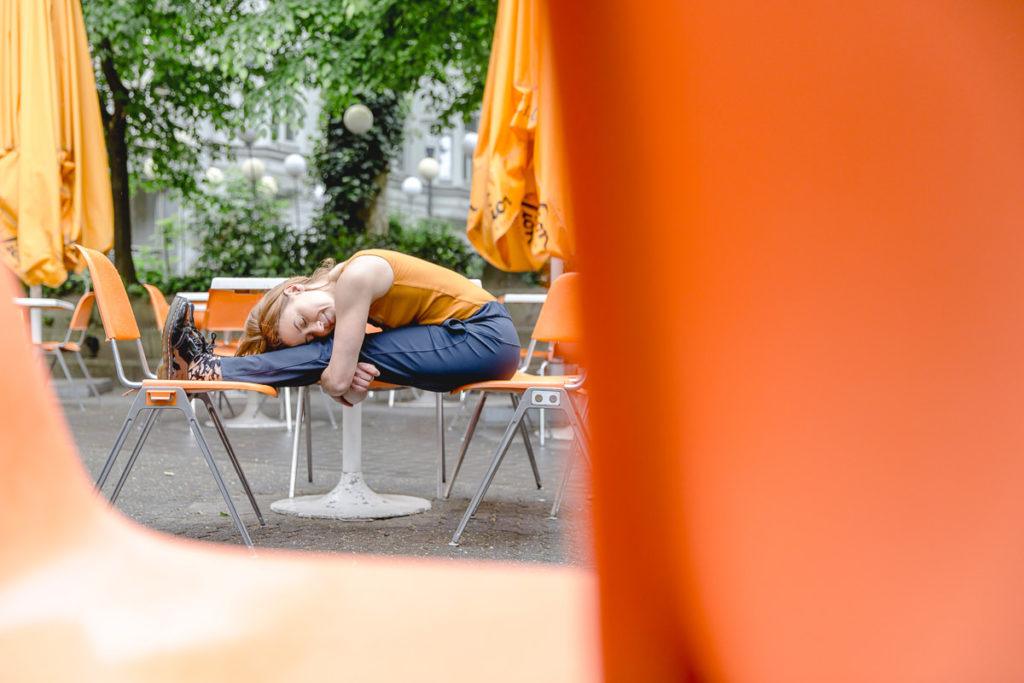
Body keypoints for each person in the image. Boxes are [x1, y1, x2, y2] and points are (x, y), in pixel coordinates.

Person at [160, 249, 521, 406]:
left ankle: (207, 368)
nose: (319, 325)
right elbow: (356, 385)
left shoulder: (355, 277)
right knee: (335, 354)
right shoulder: (354, 304)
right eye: (312, 335)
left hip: (481, 335)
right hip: (478, 345)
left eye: (302, 319)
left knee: (330, 356)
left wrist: (339, 372)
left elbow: (334, 378)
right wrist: (353, 381)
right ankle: (206, 369)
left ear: (296, 289)